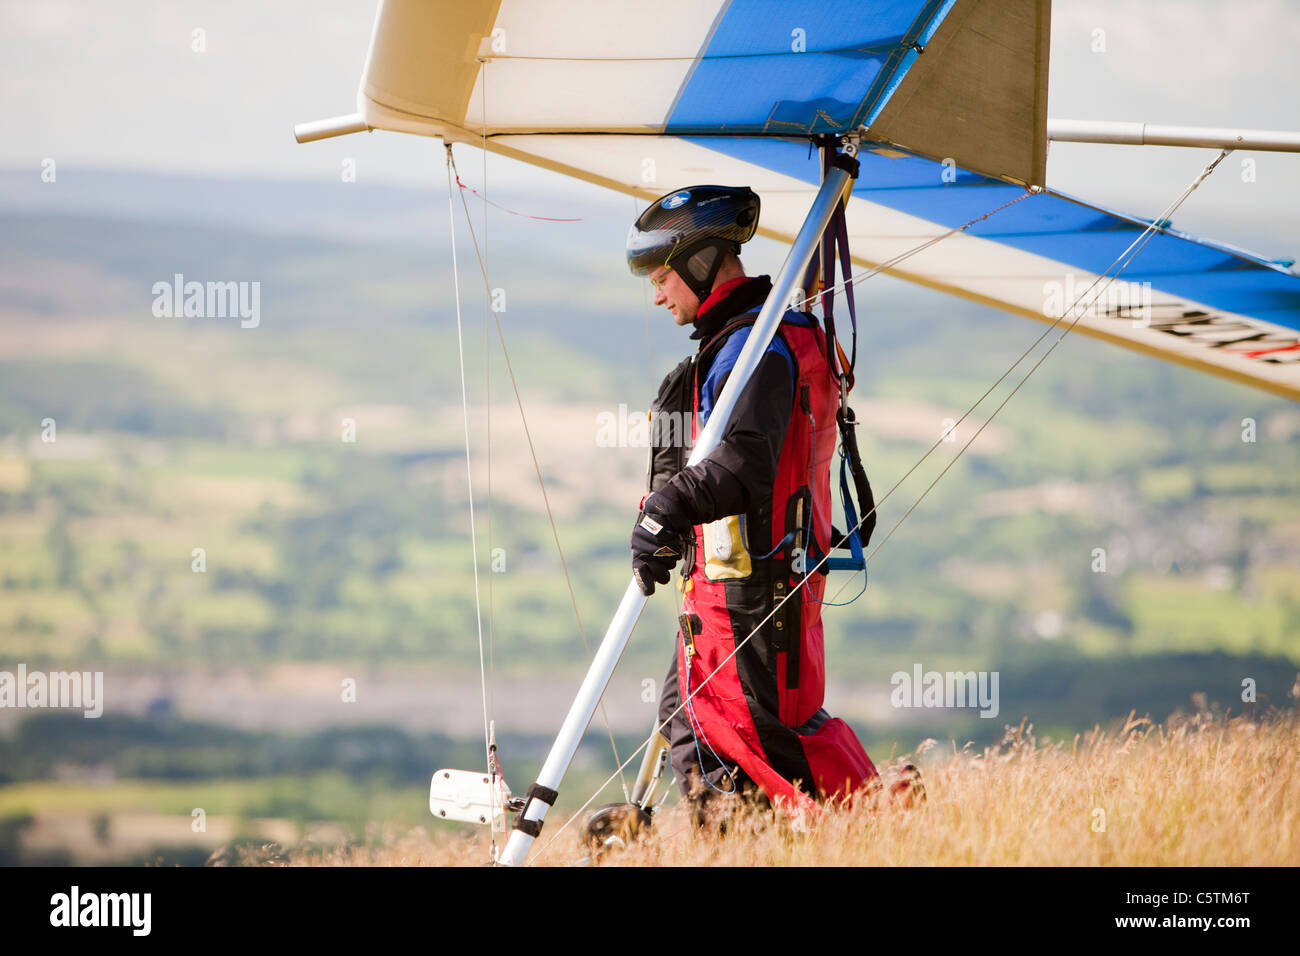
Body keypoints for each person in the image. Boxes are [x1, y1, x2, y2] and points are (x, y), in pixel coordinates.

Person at [626, 185, 880, 822]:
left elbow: (744, 464)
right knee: (689, 724)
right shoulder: (752, 337)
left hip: (748, 592)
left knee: (730, 749)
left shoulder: (753, 350)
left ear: (703, 264)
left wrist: (665, 510)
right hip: (742, 587)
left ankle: (872, 815)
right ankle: (873, 814)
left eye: (662, 277)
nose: (658, 296)